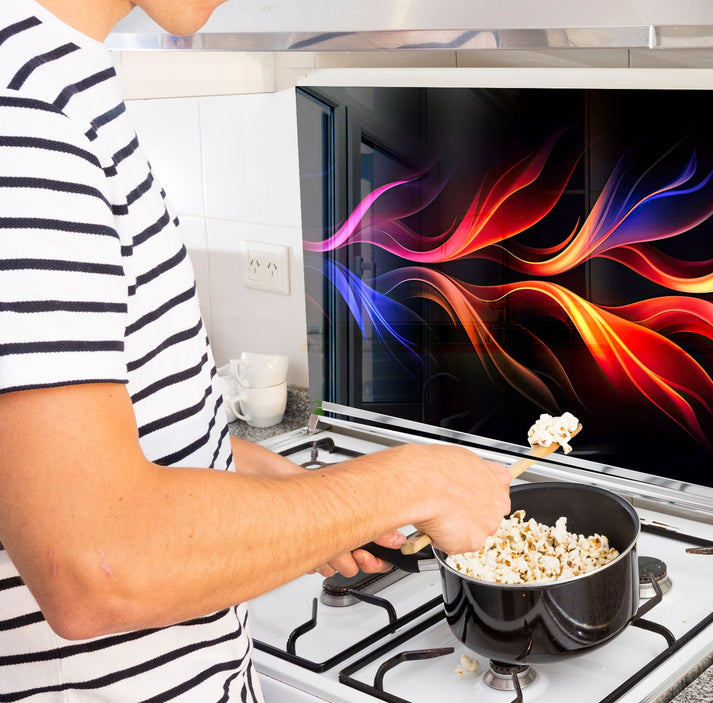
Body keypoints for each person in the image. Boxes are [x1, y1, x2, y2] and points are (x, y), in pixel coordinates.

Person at [0, 0, 513, 699]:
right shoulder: (24, 117)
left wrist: (296, 496)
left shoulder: (56, 79)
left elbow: (82, 451)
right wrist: (416, 479)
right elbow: (97, 563)